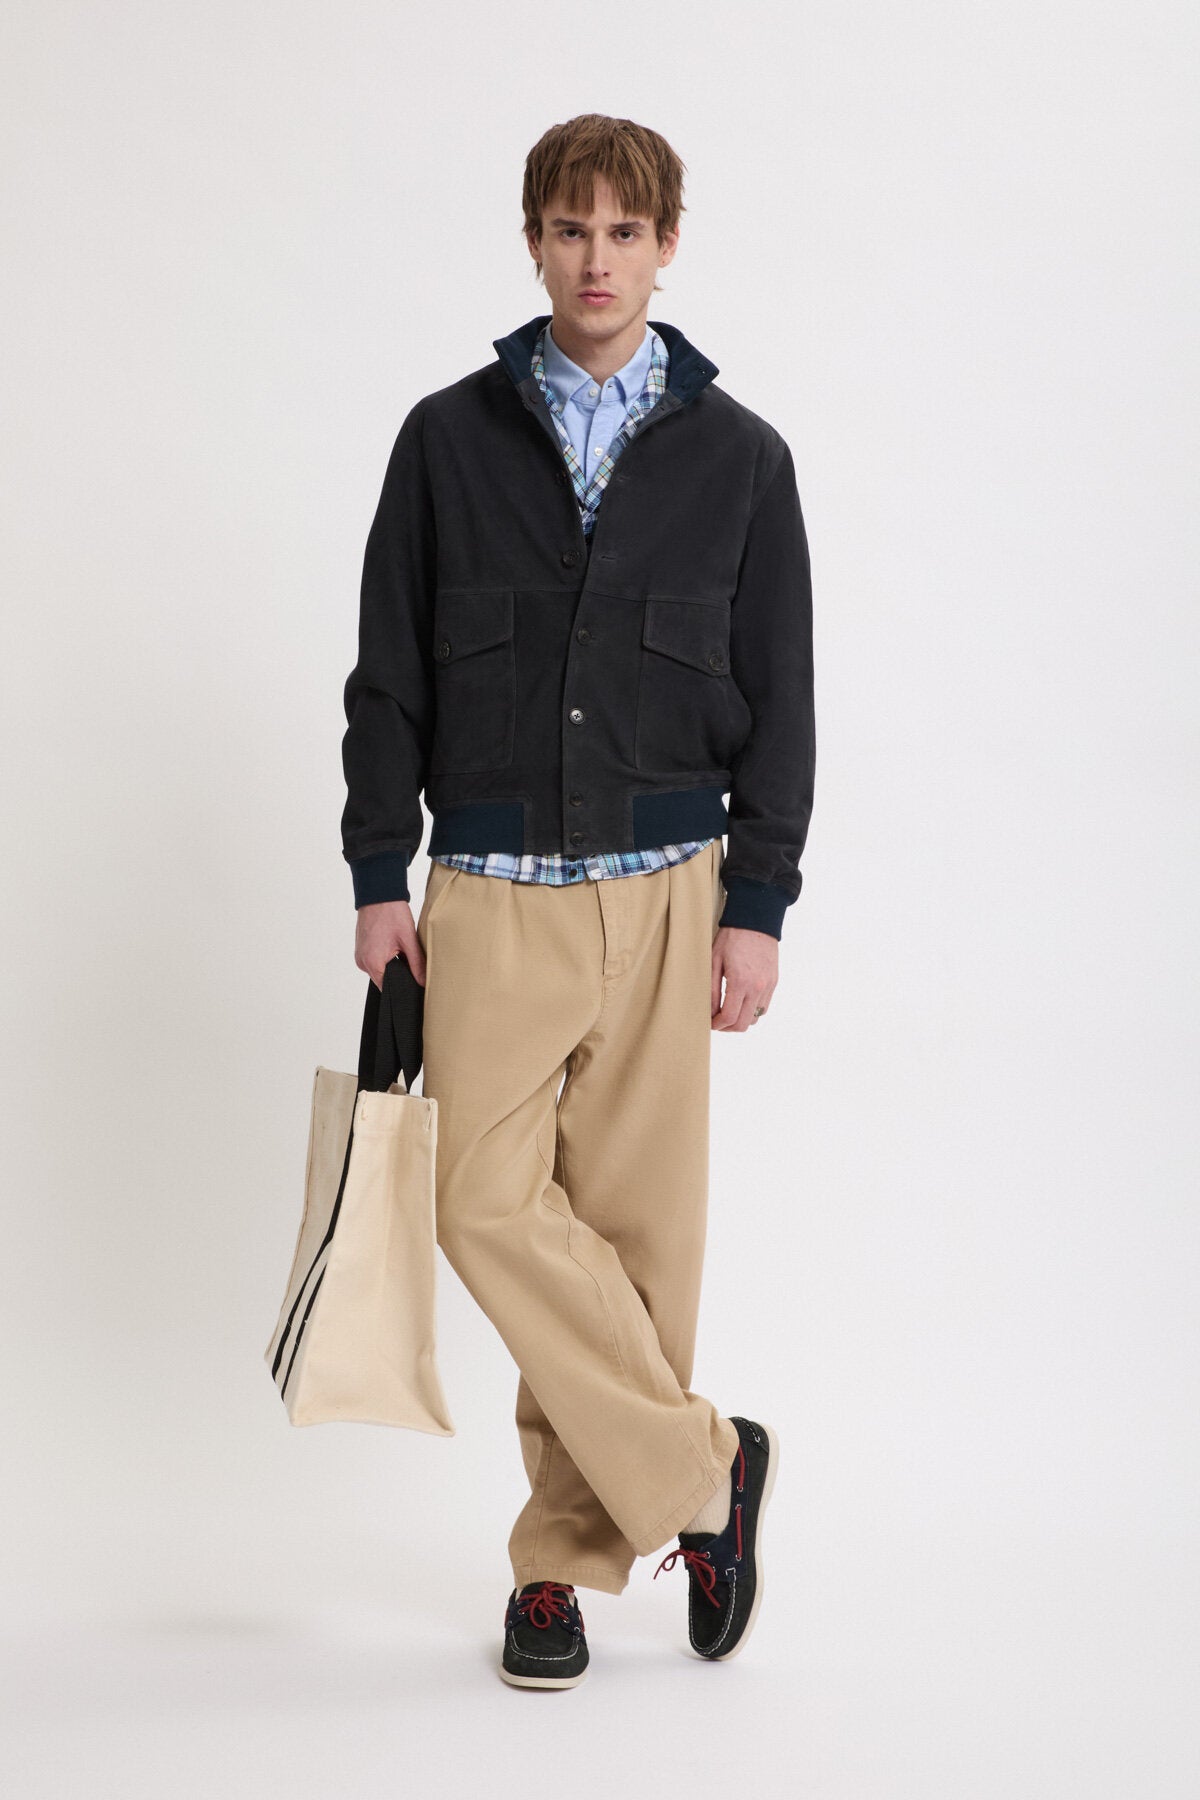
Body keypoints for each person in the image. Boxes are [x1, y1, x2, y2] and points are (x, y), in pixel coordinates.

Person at [339, 113, 815, 1687]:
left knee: (634, 1244)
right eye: (569, 229)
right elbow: (389, 676)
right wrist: (378, 870)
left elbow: (784, 698)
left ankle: (556, 1569)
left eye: (624, 231)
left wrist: (759, 902)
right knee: (480, 1203)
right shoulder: (446, 440)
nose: (596, 260)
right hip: (488, 892)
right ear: (533, 241)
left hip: (672, 894)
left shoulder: (743, 461)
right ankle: (703, 1471)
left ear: (667, 245)